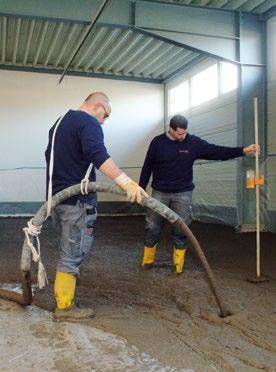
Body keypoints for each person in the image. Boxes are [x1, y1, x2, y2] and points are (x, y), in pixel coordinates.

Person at [45, 92, 148, 321]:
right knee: (73, 253)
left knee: (68, 250)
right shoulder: (88, 122)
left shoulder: (60, 122)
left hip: (56, 200)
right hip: (77, 203)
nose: (104, 121)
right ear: (97, 106)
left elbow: (51, 158)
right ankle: (65, 308)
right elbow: (97, 154)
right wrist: (125, 181)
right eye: (106, 115)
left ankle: (67, 292)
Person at [139, 114, 259, 274]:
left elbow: (217, 151)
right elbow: (147, 166)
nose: (183, 136)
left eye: (185, 133)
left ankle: (178, 265)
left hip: (183, 193)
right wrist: (140, 189)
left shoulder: (193, 142)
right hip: (159, 192)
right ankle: (147, 260)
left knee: (181, 228)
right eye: (180, 133)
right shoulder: (157, 142)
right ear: (171, 129)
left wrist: (242, 151)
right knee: (152, 226)